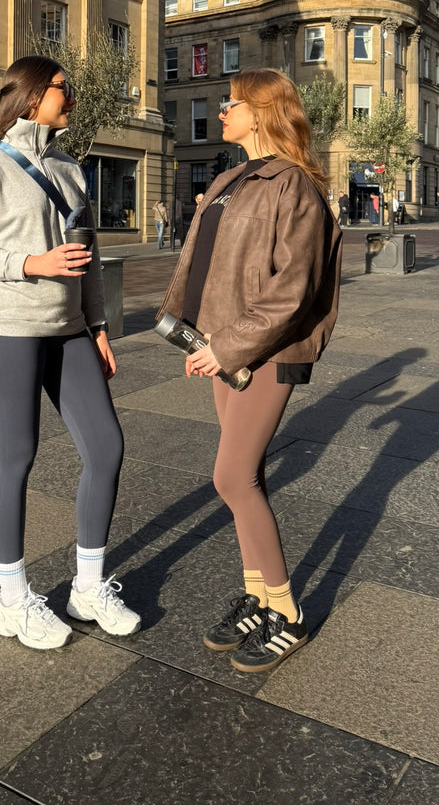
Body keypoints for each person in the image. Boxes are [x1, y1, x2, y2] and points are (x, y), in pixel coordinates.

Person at [0, 55, 139, 650]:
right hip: (6, 328)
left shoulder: (70, 168)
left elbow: (90, 256)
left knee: (106, 447)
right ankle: (12, 600)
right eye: (62, 87)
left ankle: (87, 585)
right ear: (31, 95)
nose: (71, 96)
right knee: (17, 457)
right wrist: (30, 263)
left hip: (70, 329)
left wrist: (99, 325)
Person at [157, 69, 342, 673]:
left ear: (262, 111)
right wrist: (187, 327)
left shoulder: (296, 187)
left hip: (264, 352)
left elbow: (294, 290)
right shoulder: (232, 179)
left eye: (231, 102)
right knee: (248, 479)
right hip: (223, 347)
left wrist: (228, 346)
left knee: (231, 478)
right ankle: (258, 599)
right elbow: (201, 263)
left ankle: (286, 613)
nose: (221, 109)